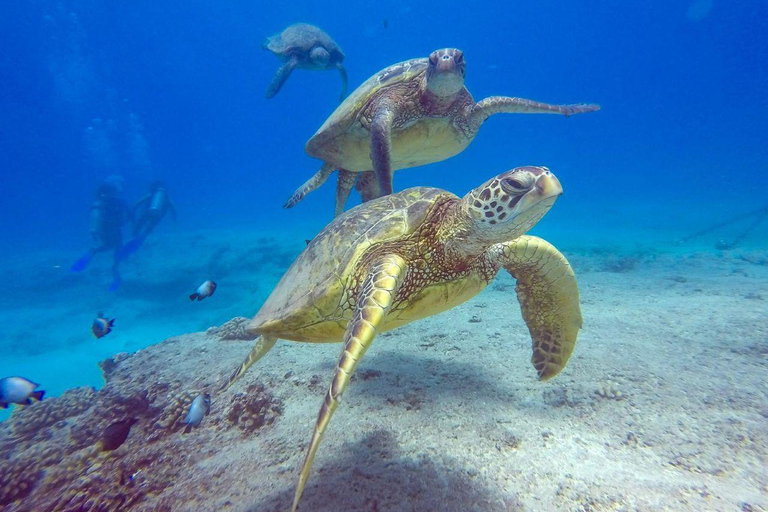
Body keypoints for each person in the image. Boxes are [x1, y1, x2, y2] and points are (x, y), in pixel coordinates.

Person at [70, 176, 131, 291]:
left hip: (103, 227)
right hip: (114, 227)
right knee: (117, 247)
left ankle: (93, 252)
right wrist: (131, 221)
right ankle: (115, 270)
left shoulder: (100, 202)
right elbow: (128, 214)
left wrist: (93, 230)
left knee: (109, 245)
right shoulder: (118, 200)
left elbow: (95, 215)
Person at [118, 181, 176, 259]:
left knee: (138, 227)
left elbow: (137, 203)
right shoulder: (167, 198)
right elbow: (173, 210)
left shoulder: (151, 194)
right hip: (157, 216)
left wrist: (130, 214)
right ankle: (139, 241)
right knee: (147, 230)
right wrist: (174, 221)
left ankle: (133, 239)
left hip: (146, 213)